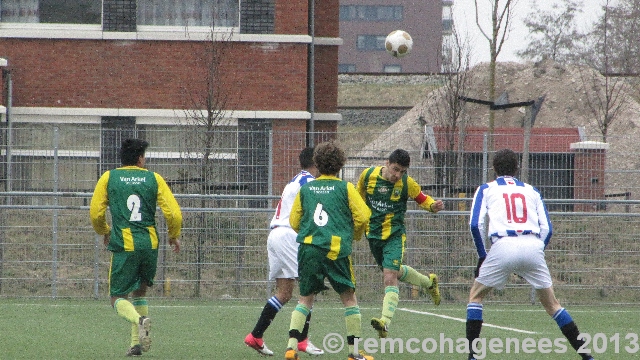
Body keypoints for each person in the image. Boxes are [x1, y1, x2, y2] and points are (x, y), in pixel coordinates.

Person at [466, 148, 594, 360]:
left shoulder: (486, 189)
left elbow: (475, 224)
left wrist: (482, 256)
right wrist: (535, 253)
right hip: (533, 244)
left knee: (476, 296)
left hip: (503, 244)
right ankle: (586, 355)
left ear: (494, 169)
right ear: (517, 168)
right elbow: (547, 229)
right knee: (553, 305)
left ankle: (473, 356)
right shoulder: (532, 190)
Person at [90, 138, 182, 357]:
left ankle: (139, 320)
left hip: (125, 244)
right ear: (140, 158)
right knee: (140, 291)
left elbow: (95, 213)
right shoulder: (154, 178)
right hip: (150, 244)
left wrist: (104, 231)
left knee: (117, 296)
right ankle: (136, 345)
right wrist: (174, 234)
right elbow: (174, 213)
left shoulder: (109, 177)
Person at [285, 141, 373, 360]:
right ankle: (354, 353)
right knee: (349, 299)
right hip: (335, 250)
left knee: (304, 299)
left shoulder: (306, 189)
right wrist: (354, 234)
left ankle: (291, 348)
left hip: (309, 249)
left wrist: (310, 233)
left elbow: (294, 220)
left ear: (317, 163)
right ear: (340, 165)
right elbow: (363, 216)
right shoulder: (346, 188)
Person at [356, 148, 444, 338]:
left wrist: (432, 205)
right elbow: (358, 197)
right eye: (395, 169)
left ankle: (384, 322)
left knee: (389, 276)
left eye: (402, 171)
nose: (398, 175)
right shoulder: (368, 175)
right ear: (387, 163)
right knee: (394, 271)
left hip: (395, 235)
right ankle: (429, 283)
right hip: (373, 235)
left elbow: (421, 198)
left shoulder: (406, 183)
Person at [244, 147, 324, 356]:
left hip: (276, 235)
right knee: (308, 288)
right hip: (289, 235)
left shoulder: (296, 180)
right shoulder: (310, 183)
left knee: (285, 293)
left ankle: (255, 336)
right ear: (317, 162)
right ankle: (302, 340)